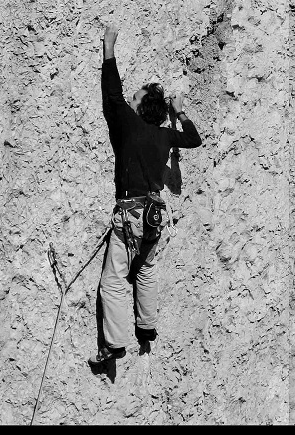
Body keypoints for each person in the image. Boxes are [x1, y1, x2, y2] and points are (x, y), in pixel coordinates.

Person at [89, 25, 203, 366]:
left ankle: (114, 344)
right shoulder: (165, 136)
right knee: (147, 271)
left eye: (135, 98)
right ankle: (148, 329)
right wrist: (178, 111)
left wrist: (109, 48)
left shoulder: (128, 124)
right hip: (155, 215)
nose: (131, 99)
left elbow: (112, 94)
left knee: (113, 279)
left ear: (138, 108)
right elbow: (194, 139)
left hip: (129, 213)